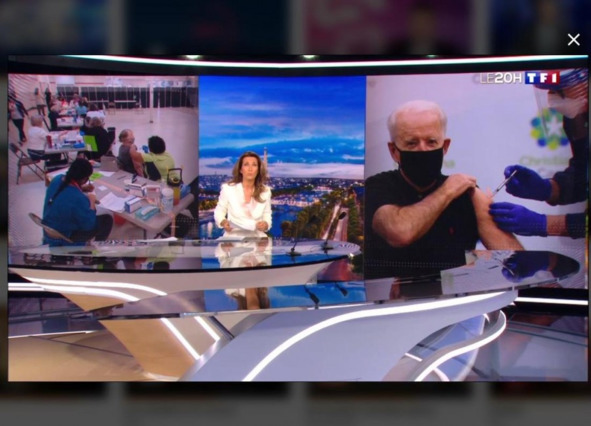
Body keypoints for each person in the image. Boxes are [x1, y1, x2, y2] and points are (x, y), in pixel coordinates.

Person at [365, 100, 523, 279]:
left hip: (452, 295)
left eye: (431, 142)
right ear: (394, 151)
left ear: (445, 146)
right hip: (389, 296)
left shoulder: (466, 194)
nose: (423, 150)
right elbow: (399, 233)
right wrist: (447, 190)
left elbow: (516, 260)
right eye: (412, 143)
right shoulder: (377, 187)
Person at [490, 70, 588, 239]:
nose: (551, 98)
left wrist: (544, 224)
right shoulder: (576, 117)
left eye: (558, 89)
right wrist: (550, 188)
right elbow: (584, 169)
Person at [42, 158, 113, 246]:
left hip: (48, 229)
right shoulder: (78, 198)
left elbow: (65, 191)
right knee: (107, 219)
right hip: (63, 236)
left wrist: (82, 188)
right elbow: (89, 225)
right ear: (83, 179)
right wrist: (92, 201)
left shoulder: (57, 179)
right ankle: (97, 246)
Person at [214, 151, 272, 234]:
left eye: (254, 165)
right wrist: (223, 222)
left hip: (257, 237)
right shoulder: (228, 189)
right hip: (234, 237)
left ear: (258, 170)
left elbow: (267, 214)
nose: (250, 169)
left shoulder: (265, 191)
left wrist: (266, 224)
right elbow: (219, 211)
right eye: (246, 164)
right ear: (240, 169)